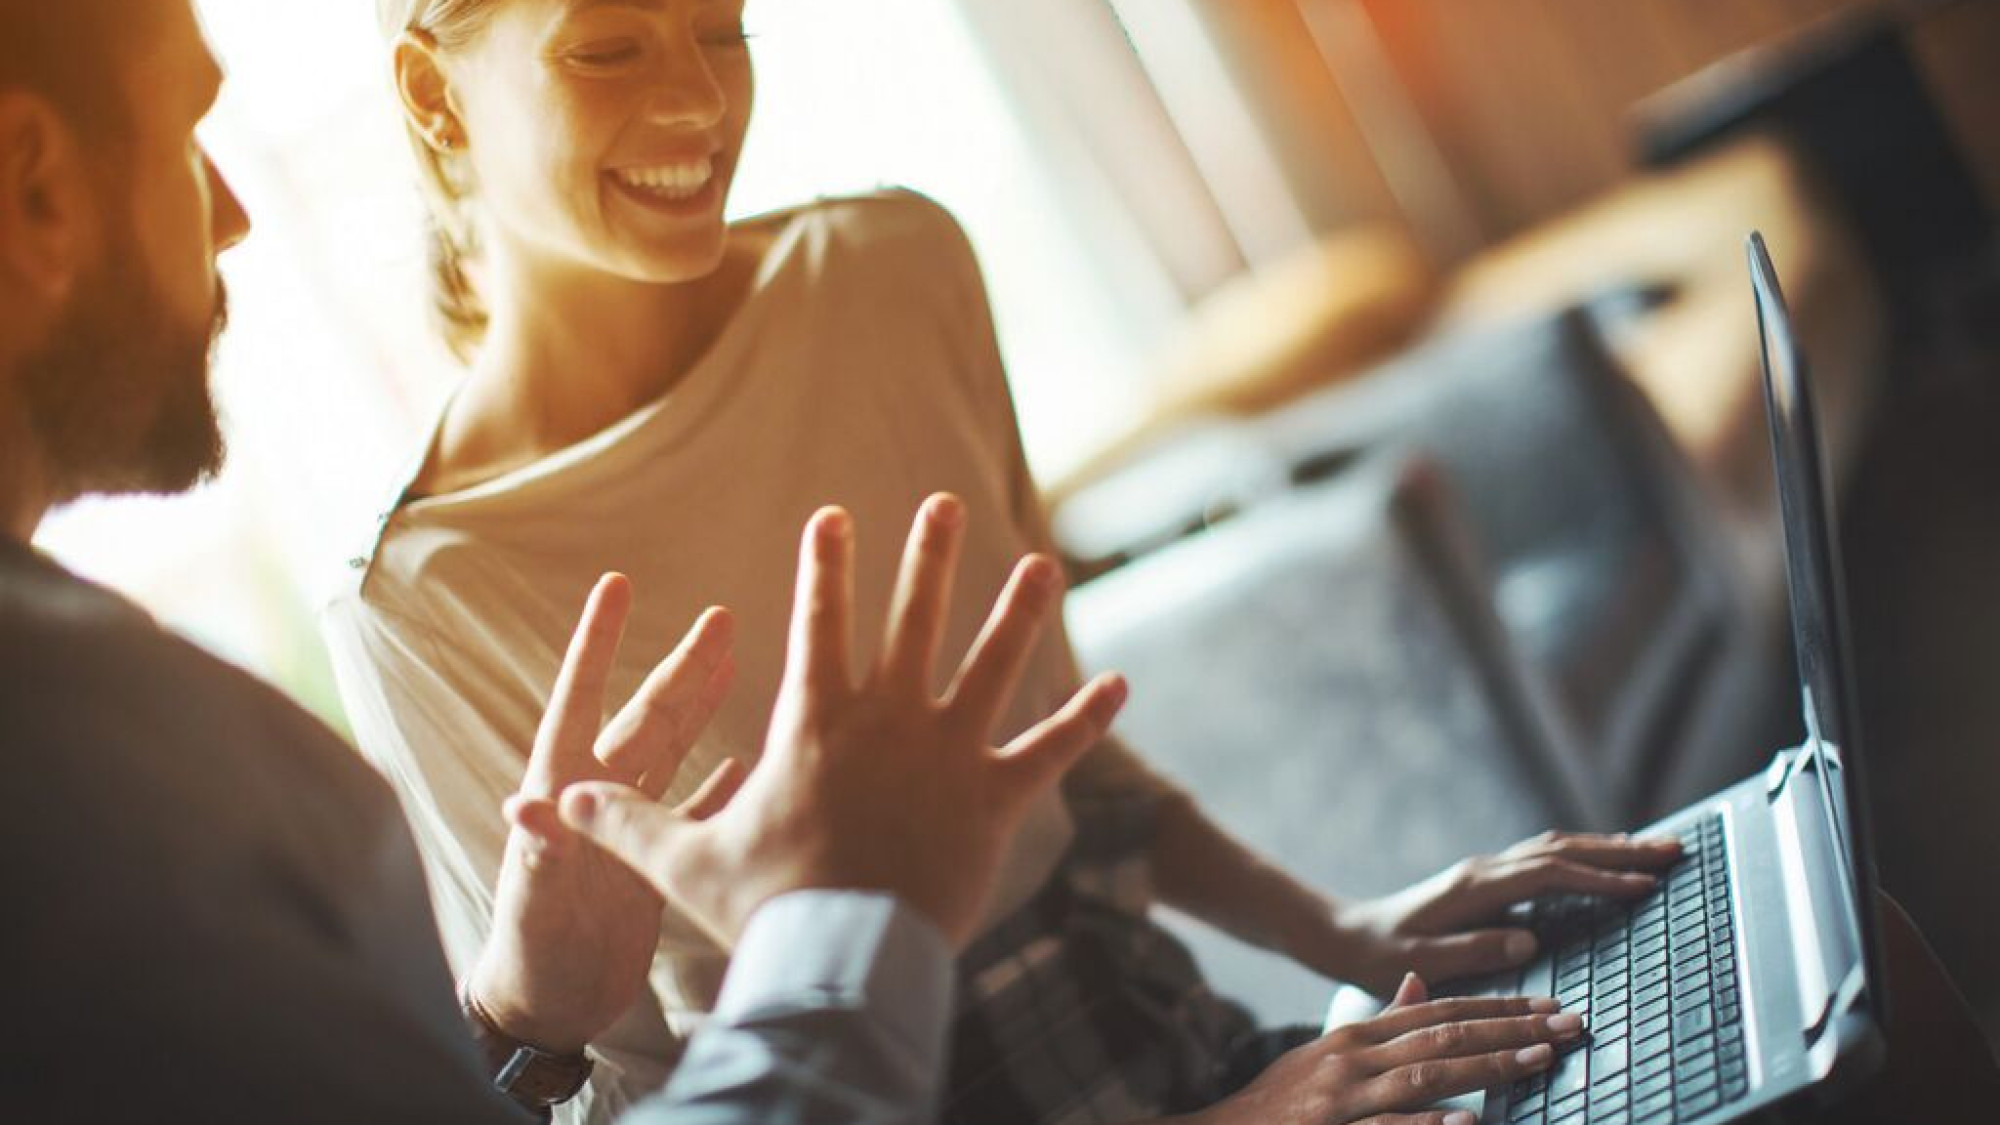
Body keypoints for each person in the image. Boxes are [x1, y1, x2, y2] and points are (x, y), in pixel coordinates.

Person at [0, 3, 1598, 1123]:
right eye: (609, 45)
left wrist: (1350, 928)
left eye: (723, 26)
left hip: (1192, 1038)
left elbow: (1059, 766)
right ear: (432, 99)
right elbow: (625, 1094)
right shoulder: (420, 588)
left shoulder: (898, 270)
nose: (693, 101)